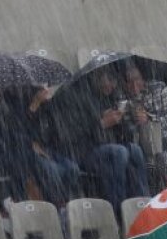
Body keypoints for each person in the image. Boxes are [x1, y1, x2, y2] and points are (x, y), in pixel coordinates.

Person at [59, 65, 150, 211]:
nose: (112, 85)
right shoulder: (76, 97)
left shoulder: (111, 96)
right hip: (83, 152)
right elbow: (70, 135)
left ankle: (143, 207)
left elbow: (123, 135)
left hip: (109, 147)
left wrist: (129, 120)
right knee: (119, 152)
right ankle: (118, 211)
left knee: (135, 150)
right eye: (109, 80)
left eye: (115, 81)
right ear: (97, 78)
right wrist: (101, 123)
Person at [121, 60, 167, 186]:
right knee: (141, 166)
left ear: (143, 78)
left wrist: (150, 119)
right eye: (129, 82)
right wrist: (135, 122)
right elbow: (128, 132)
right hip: (143, 152)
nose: (134, 85)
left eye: (137, 80)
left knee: (163, 161)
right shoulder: (124, 100)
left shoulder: (160, 90)